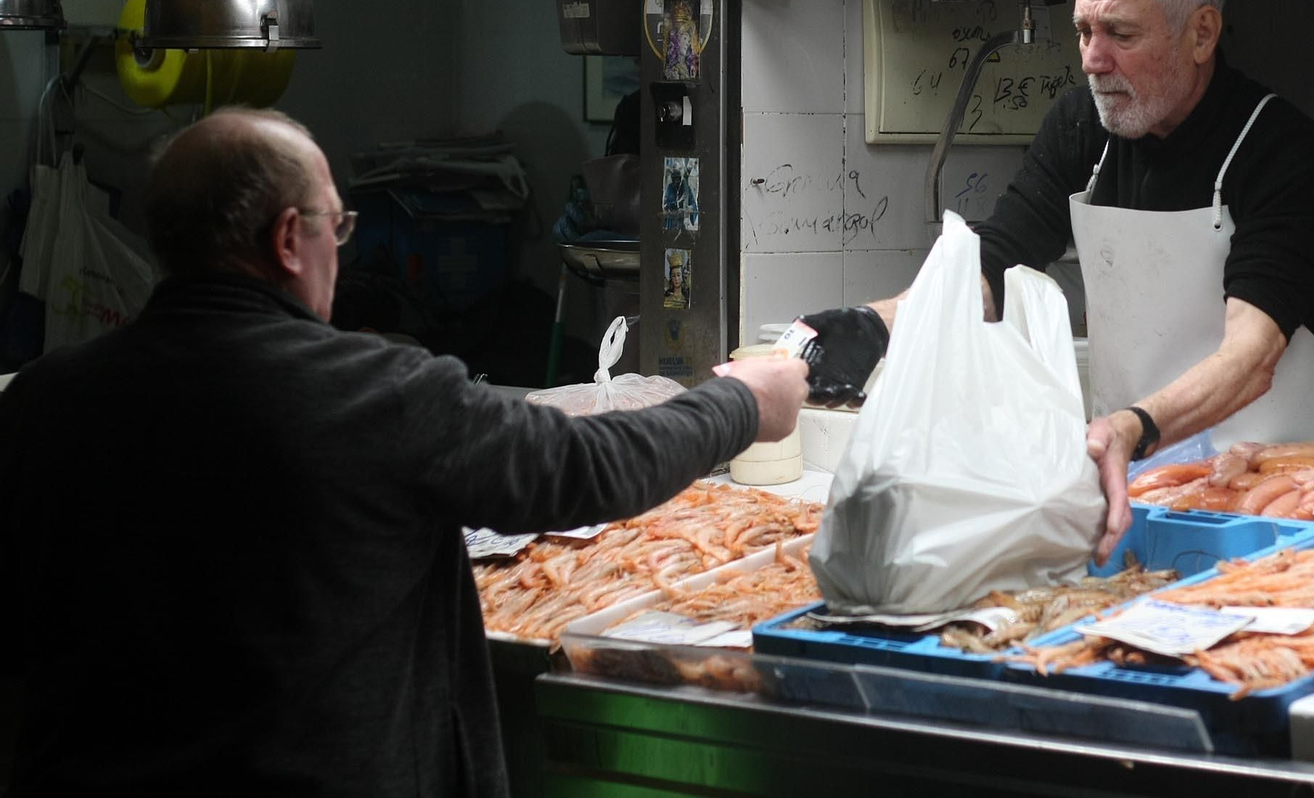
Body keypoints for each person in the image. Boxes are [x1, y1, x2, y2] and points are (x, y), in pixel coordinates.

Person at [0, 108, 808, 798]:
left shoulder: (41, 400)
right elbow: (588, 465)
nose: (341, 249)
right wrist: (743, 403)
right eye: (336, 225)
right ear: (289, 237)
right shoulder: (371, 395)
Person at [799, 0, 1314, 565]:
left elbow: (1252, 358)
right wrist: (873, 325)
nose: (1094, 60)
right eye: (1084, 31)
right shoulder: (1080, 129)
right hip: (1154, 482)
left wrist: (1134, 425)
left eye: (1119, 33)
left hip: (1293, 484)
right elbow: (994, 264)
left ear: (1201, 32)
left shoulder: (1281, 149)